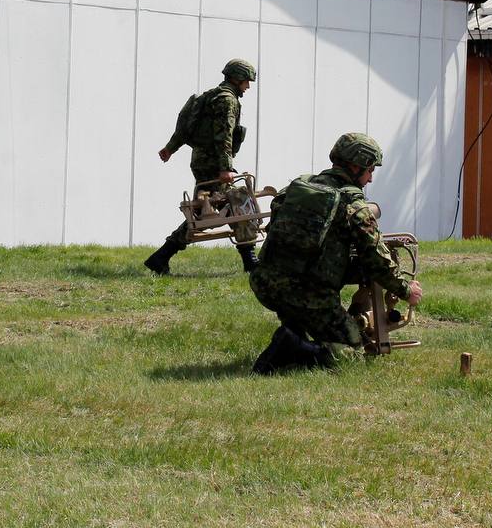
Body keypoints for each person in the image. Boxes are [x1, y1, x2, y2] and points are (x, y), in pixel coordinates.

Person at [248, 132, 423, 373]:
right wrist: (405, 289)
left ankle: (293, 332)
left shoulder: (299, 187)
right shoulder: (353, 204)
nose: (371, 178)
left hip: (265, 283)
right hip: (308, 295)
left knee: (305, 313)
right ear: (354, 166)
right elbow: (375, 257)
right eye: (370, 169)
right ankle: (293, 347)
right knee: (352, 355)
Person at [144, 58, 259, 275]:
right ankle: (251, 261)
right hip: (214, 163)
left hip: (201, 159)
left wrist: (170, 148)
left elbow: (185, 126)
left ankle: (160, 257)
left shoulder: (211, 95)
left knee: (201, 211)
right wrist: (225, 167)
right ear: (237, 78)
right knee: (239, 202)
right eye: (246, 81)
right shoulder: (227, 100)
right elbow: (223, 135)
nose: (248, 86)